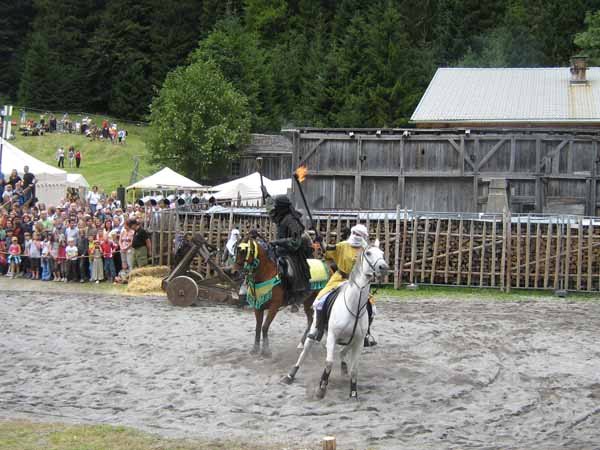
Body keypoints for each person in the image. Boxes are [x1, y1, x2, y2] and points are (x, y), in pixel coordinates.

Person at [311, 224, 377, 346]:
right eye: (355, 233)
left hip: (358, 283)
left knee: (372, 308)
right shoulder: (343, 245)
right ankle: (318, 329)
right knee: (319, 301)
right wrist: (321, 242)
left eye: (359, 235)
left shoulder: (366, 250)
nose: (357, 236)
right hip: (340, 279)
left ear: (363, 237)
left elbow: (371, 265)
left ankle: (366, 334)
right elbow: (328, 250)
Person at [263, 192, 312, 297]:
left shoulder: (291, 220)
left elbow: (296, 242)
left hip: (292, 253)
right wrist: (266, 197)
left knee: (289, 272)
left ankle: (294, 295)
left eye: (276, 207)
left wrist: (277, 242)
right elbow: (270, 211)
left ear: (281, 208)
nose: (274, 210)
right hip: (279, 251)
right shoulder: (280, 218)